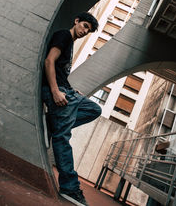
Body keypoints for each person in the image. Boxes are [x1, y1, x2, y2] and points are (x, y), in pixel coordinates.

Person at [41, 12, 102, 206]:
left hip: (66, 89)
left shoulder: (71, 42)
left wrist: (68, 87)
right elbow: (49, 62)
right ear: (76, 21)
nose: (85, 31)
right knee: (62, 137)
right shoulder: (64, 35)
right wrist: (55, 91)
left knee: (94, 109)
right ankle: (69, 187)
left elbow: (59, 69)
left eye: (88, 30)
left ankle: (53, 122)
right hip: (56, 91)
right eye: (84, 26)